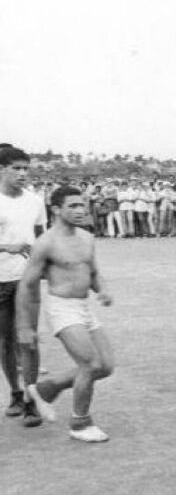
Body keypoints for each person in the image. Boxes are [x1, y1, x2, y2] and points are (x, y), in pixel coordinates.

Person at [17, 186, 114, 441]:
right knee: (90, 364)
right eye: (73, 206)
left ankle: (45, 389)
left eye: (82, 204)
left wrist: (103, 289)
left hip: (84, 307)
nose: (81, 210)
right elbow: (27, 285)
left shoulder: (87, 237)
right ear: (56, 209)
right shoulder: (46, 243)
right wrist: (25, 327)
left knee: (105, 366)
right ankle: (80, 423)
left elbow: (93, 273)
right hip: (61, 308)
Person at [0, 147, 47, 425]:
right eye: (16, 168)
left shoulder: (35, 201)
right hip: (0, 280)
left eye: (25, 169)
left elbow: (42, 237)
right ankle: (16, 393)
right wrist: (7, 246)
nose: (22, 174)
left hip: (27, 281)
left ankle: (32, 399)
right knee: (6, 342)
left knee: (28, 339)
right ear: (2, 169)